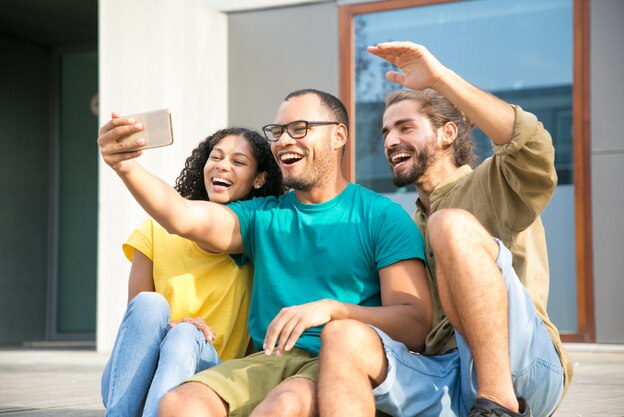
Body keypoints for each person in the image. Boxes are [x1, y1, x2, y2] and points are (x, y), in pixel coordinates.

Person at [97, 89, 433, 417]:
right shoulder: (262, 215)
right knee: (178, 404)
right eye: (278, 131)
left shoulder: (381, 216)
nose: (284, 140)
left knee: (282, 406)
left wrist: (332, 310)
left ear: (338, 135)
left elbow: (415, 323)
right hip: (268, 362)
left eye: (299, 128)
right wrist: (126, 167)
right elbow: (182, 216)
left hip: (338, 363)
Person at [317, 42, 572, 417]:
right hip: (443, 374)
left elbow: (530, 144)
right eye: (386, 131)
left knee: (448, 224)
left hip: (523, 368)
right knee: (341, 337)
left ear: (448, 133)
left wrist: (440, 79)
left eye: (405, 127)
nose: (390, 141)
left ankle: (499, 403)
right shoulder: (402, 225)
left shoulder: (497, 184)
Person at [100, 125, 285, 417]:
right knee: (151, 304)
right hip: (131, 378)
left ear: (259, 178)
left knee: (186, 336)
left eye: (238, 162)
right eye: (216, 157)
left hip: (204, 381)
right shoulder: (154, 230)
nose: (222, 166)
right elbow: (137, 324)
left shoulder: (259, 241)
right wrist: (172, 325)